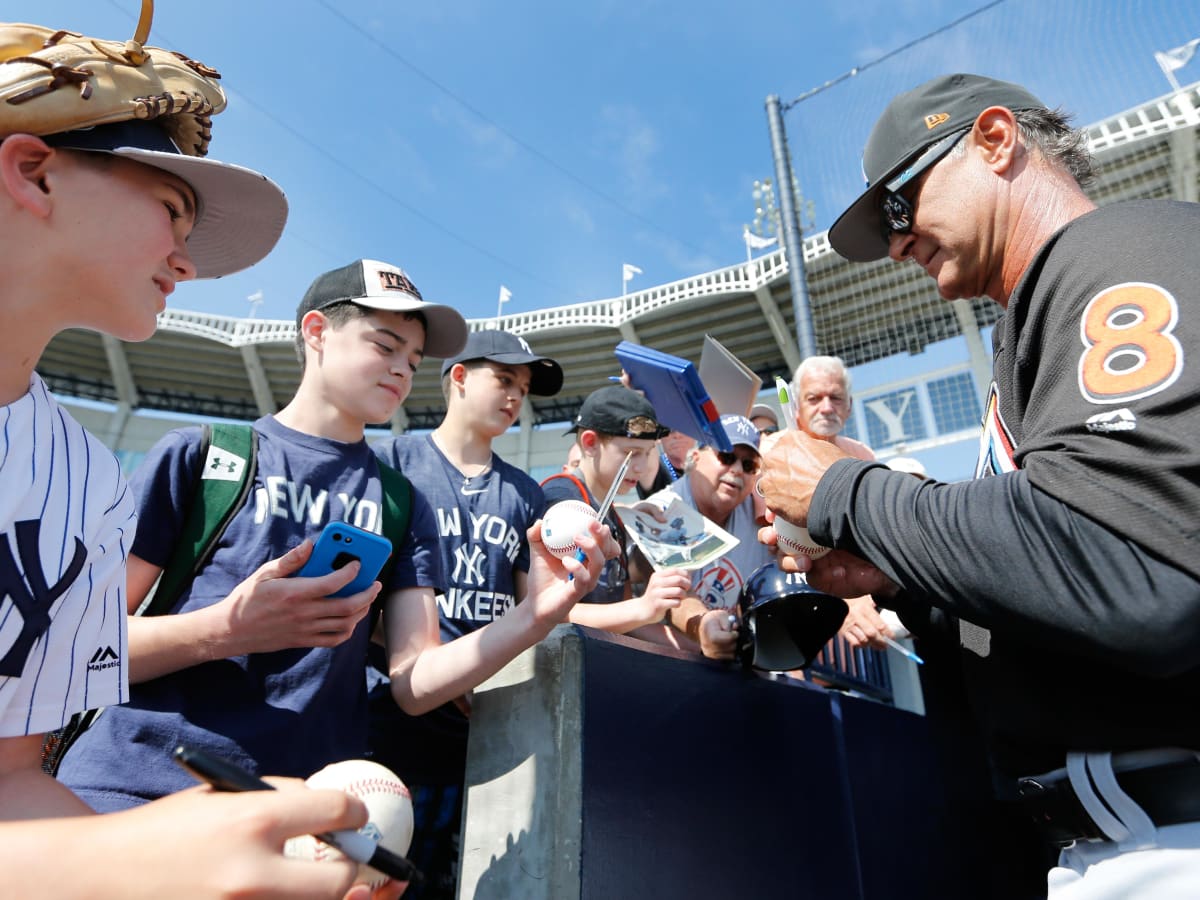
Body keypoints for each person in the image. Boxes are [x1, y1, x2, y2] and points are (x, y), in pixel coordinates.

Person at [759, 73, 1200, 896]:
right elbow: (1044, 607)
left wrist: (850, 492)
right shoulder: (1031, 325)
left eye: (899, 204)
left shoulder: (1122, 250)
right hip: (1107, 836)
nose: (896, 244)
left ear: (995, 141)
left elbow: (1144, 571)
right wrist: (905, 582)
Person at [0, 13, 391, 898]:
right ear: (33, 171)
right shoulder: (182, 460)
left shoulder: (84, 477)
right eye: (172, 210)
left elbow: (12, 780)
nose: (186, 258)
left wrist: (176, 864)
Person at [55, 260, 610, 839]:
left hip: (301, 815)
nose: (402, 370)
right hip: (135, 788)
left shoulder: (401, 501)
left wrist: (535, 615)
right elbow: (75, 648)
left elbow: (413, 681)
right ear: (317, 332)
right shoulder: (204, 455)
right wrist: (227, 628)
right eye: (386, 345)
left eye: (414, 361)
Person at [369, 329, 564, 898]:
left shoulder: (526, 493)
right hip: (388, 723)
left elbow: (537, 612)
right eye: (504, 379)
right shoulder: (392, 462)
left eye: (523, 388)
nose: (514, 396)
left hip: (480, 735)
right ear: (458, 377)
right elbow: (357, 603)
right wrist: (435, 664)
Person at [542, 385, 690, 644]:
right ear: (590, 443)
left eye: (647, 453)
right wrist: (643, 607)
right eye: (631, 453)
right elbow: (548, 612)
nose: (642, 467)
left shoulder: (613, 517)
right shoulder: (563, 499)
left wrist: (699, 650)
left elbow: (623, 620)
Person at [642, 415, 773, 660]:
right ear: (695, 457)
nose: (736, 470)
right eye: (726, 456)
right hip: (667, 660)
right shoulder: (662, 510)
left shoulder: (759, 514)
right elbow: (676, 595)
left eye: (748, 466)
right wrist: (703, 626)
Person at [790, 355, 892, 651]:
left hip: (861, 613)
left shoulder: (863, 456)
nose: (826, 407)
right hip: (801, 609)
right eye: (814, 398)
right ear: (796, 405)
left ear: (849, 405)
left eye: (835, 398)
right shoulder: (776, 450)